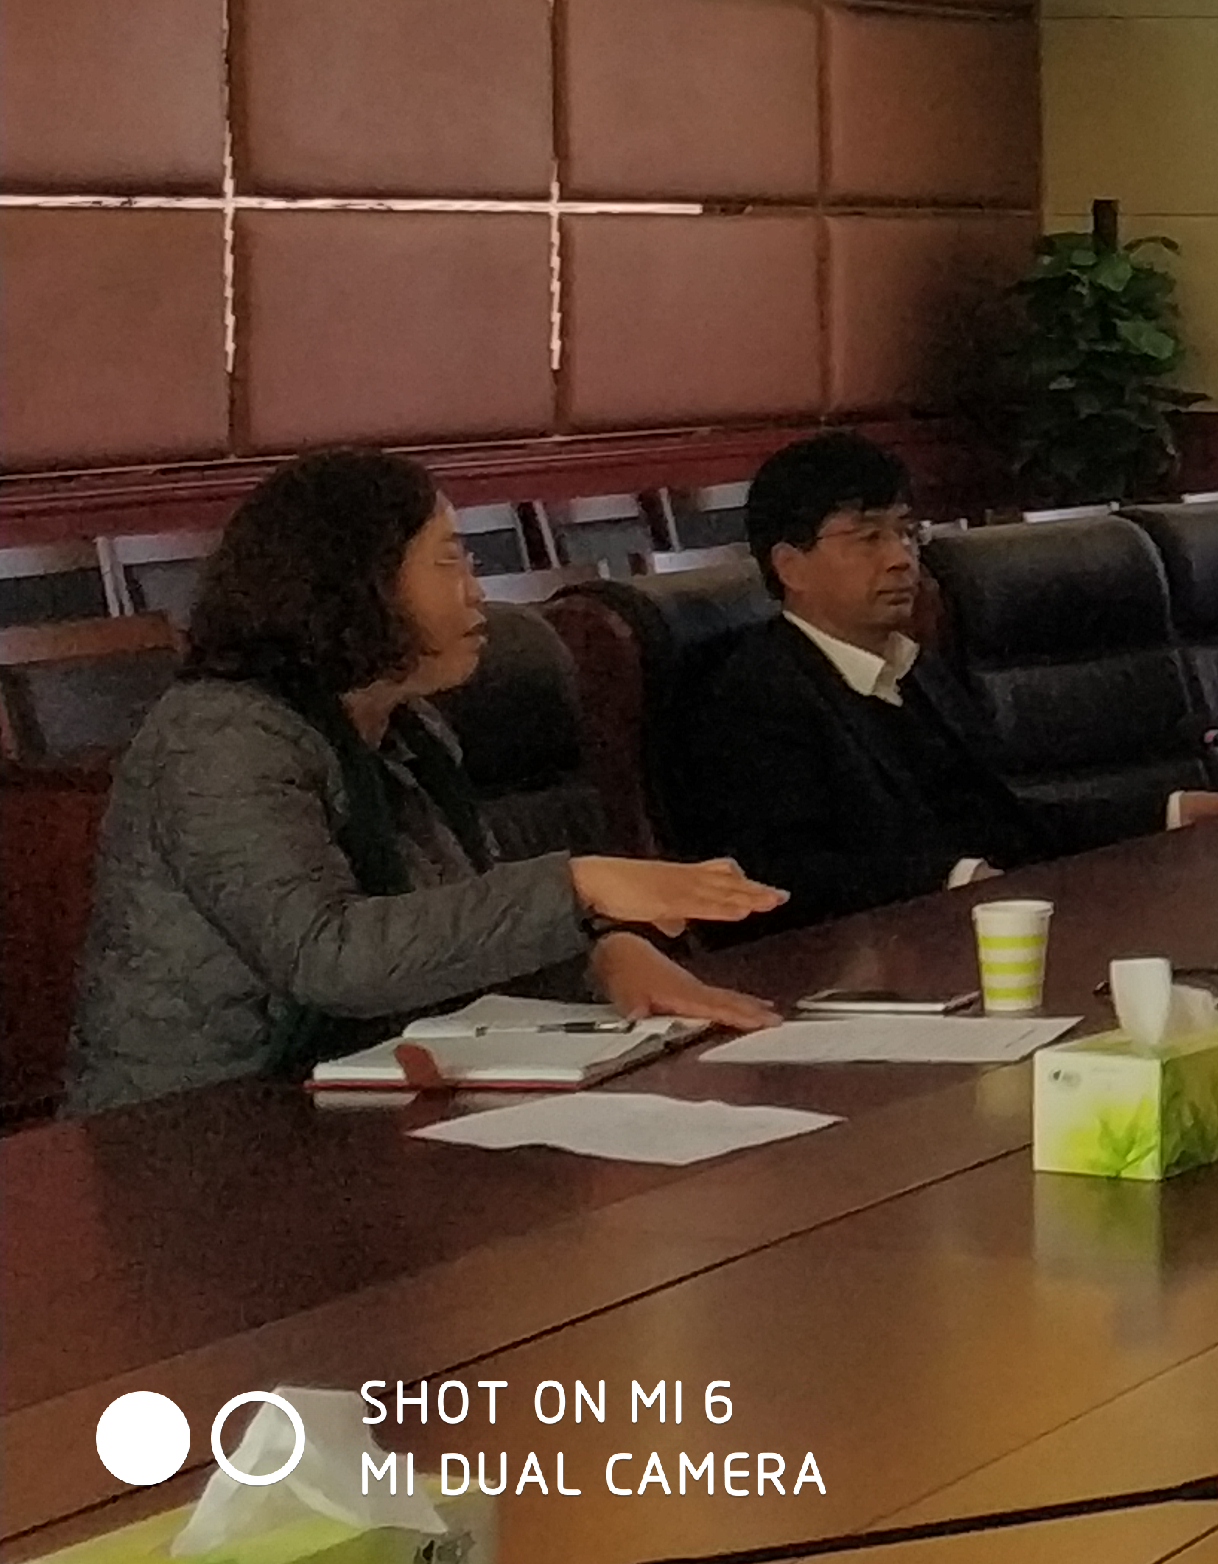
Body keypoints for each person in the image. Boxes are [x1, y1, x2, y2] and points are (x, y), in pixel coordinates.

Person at [66, 450, 784, 1114]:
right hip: (195, 1126)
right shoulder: (217, 736)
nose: (477, 591)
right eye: (447, 562)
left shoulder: (410, 727)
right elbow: (328, 957)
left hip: (365, 1091)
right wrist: (578, 885)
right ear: (357, 583)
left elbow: (453, 935)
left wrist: (604, 954)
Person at [672, 432, 1050, 934]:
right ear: (790, 566)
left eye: (908, 532)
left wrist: (1151, 815)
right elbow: (783, 873)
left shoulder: (917, 668)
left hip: (964, 928)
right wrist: (956, 878)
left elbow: (1000, 817)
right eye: (869, 538)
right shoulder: (751, 695)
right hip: (855, 956)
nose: (901, 558)